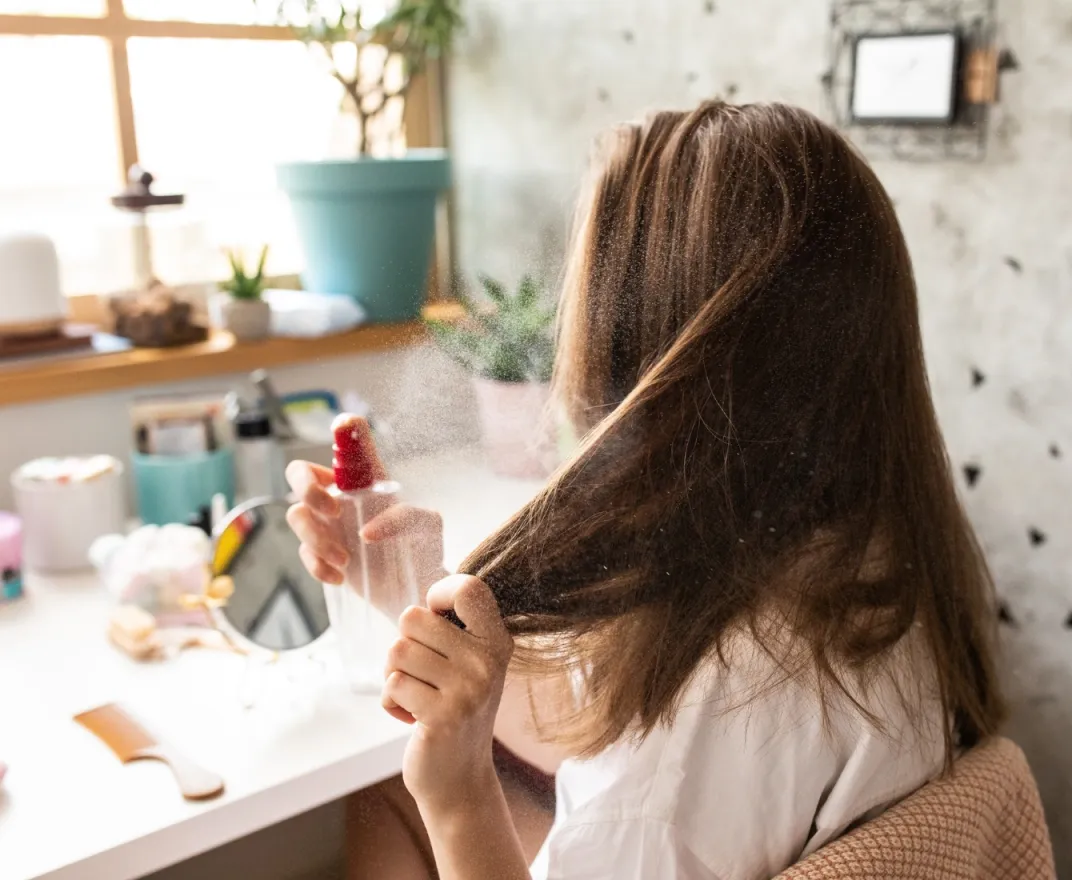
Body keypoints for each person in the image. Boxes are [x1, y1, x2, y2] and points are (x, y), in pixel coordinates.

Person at [285, 100, 1006, 880]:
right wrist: (414, 596)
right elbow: (606, 715)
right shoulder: (861, 558)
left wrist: (457, 792)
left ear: (644, 347)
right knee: (383, 801)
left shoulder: (692, 742)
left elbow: (648, 762)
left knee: (401, 799)